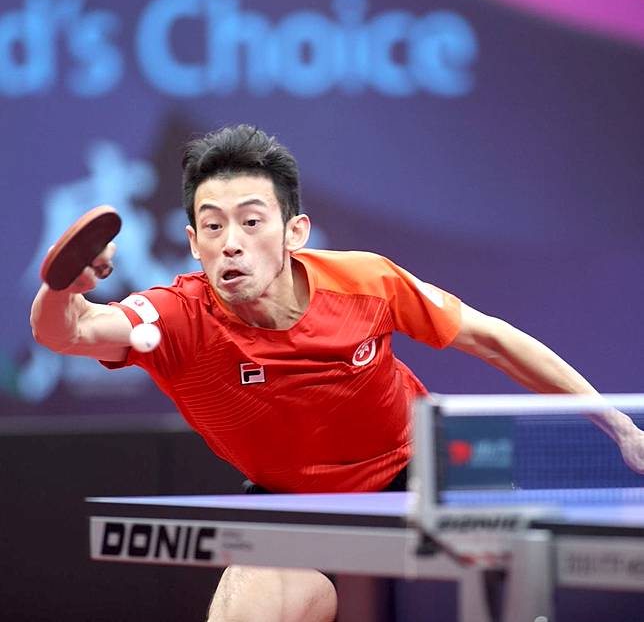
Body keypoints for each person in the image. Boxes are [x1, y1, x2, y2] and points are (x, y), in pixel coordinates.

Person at [31, 124, 644, 622]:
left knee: (512, 590)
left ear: (295, 231)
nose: (231, 243)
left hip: (420, 470)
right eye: (213, 226)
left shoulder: (365, 281)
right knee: (248, 603)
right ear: (194, 242)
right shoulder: (177, 316)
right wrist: (65, 286)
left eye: (251, 221)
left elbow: (493, 340)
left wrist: (620, 427)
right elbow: (69, 331)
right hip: (293, 502)